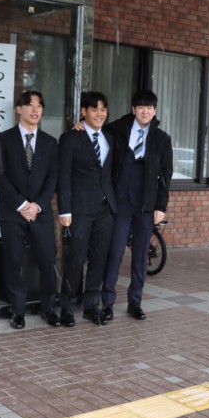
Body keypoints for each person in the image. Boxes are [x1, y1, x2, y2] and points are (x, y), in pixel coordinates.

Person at [100, 90, 172, 321]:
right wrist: (80, 125)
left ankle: (135, 302)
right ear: (133, 109)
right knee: (115, 252)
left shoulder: (162, 139)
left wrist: (161, 206)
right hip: (120, 203)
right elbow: (94, 131)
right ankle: (108, 303)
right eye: (141, 107)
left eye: (150, 107)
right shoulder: (116, 130)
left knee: (141, 255)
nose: (145, 111)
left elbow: (165, 176)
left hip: (146, 205)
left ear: (155, 111)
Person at [0, 90, 59, 329]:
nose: (35, 109)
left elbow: (53, 178)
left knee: (47, 260)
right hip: (12, 213)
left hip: (41, 213)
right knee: (13, 261)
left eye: (39, 105)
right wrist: (21, 205)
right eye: (29, 105)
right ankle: (17, 310)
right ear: (18, 109)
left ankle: (48, 307)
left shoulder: (51, 143)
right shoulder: (3, 139)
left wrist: (37, 205)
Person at [58, 92, 116, 326]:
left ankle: (91, 306)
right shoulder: (70, 139)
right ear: (83, 112)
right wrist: (64, 211)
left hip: (106, 209)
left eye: (103, 109)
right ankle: (67, 307)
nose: (100, 113)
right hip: (80, 210)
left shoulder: (110, 137)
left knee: (99, 259)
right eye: (94, 109)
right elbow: (63, 177)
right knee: (75, 258)